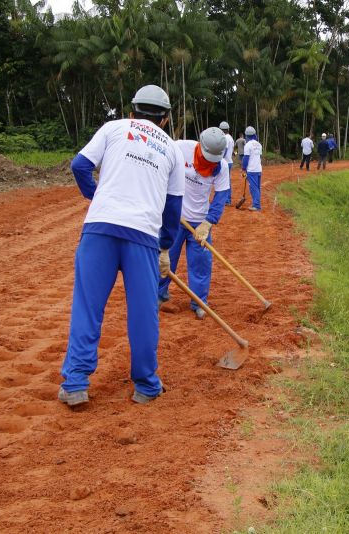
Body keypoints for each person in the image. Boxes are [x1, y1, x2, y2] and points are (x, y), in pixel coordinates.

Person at [58, 84, 184, 407]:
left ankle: (75, 383)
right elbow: (172, 210)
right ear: (166, 120)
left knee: (88, 306)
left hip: (99, 228)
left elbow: (79, 166)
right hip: (142, 236)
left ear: (132, 112)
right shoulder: (171, 149)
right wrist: (165, 248)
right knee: (143, 312)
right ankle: (146, 385)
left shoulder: (113, 128)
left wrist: (94, 194)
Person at [158, 127, 228, 320]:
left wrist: (208, 222)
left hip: (200, 222)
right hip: (175, 217)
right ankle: (159, 294)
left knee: (200, 264)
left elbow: (221, 195)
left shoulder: (221, 167)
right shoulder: (180, 148)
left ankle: (198, 302)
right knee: (165, 257)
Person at [241, 126, 262, 211]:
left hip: (251, 170)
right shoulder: (259, 144)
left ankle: (256, 205)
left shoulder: (248, 145)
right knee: (257, 187)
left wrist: (243, 169)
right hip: (258, 169)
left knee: (253, 188)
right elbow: (259, 157)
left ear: (246, 135)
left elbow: (246, 158)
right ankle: (256, 203)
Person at [219, 121, 235, 205]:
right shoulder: (231, 138)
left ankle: (227, 200)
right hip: (229, 161)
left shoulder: (225, 138)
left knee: (224, 181)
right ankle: (227, 199)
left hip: (225, 162)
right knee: (227, 180)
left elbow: (224, 151)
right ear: (228, 129)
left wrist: (219, 158)